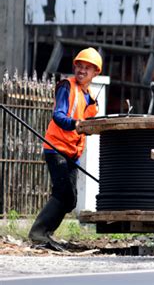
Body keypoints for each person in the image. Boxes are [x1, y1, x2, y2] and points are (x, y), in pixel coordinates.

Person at [28, 47, 102, 251]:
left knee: (70, 200)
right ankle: (38, 233)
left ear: (96, 73)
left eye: (87, 68)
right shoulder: (66, 87)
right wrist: (76, 124)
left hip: (72, 152)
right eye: (79, 65)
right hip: (56, 148)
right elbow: (59, 116)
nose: (82, 70)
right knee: (63, 193)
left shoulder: (90, 97)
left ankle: (45, 233)